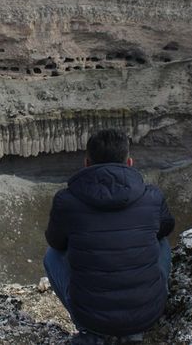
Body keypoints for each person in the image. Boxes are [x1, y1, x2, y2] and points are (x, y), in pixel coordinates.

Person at [44, 129, 175, 344]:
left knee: (51, 256)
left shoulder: (66, 201)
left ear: (87, 163)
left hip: (92, 318)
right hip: (146, 316)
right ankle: (134, 332)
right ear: (129, 162)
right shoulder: (152, 196)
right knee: (161, 241)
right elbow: (166, 228)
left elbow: (56, 243)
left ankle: (92, 333)